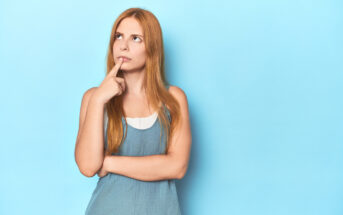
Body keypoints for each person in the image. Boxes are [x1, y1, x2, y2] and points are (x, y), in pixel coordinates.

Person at [74, 7, 192, 215]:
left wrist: (109, 162)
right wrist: (99, 99)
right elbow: (88, 166)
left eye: (136, 38)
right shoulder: (94, 98)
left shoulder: (173, 99)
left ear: (152, 48)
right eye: (118, 37)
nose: (123, 46)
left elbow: (177, 166)